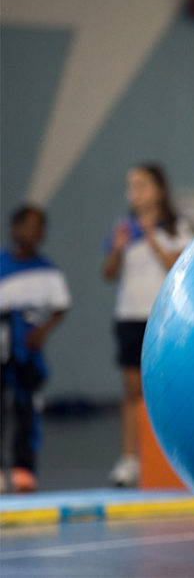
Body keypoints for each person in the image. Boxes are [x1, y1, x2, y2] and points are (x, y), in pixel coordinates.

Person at [101, 164, 194, 487]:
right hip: (129, 315)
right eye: (130, 186)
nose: (134, 192)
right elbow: (108, 273)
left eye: (141, 185)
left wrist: (153, 237)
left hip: (164, 319)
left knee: (170, 389)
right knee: (131, 390)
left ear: (159, 189)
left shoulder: (177, 225)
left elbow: (178, 265)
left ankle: (175, 458)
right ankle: (129, 460)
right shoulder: (123, 227)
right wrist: (116, 247)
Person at [0, 205, 70, 493]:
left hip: (28, 354)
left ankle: (24, 469)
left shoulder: (48, 272)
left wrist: (42, 332)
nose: (34, 232)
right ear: (15, 229)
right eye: (29, 225)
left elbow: (60, 307)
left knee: (27, 408)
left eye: (40, 226)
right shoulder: (2, 264)